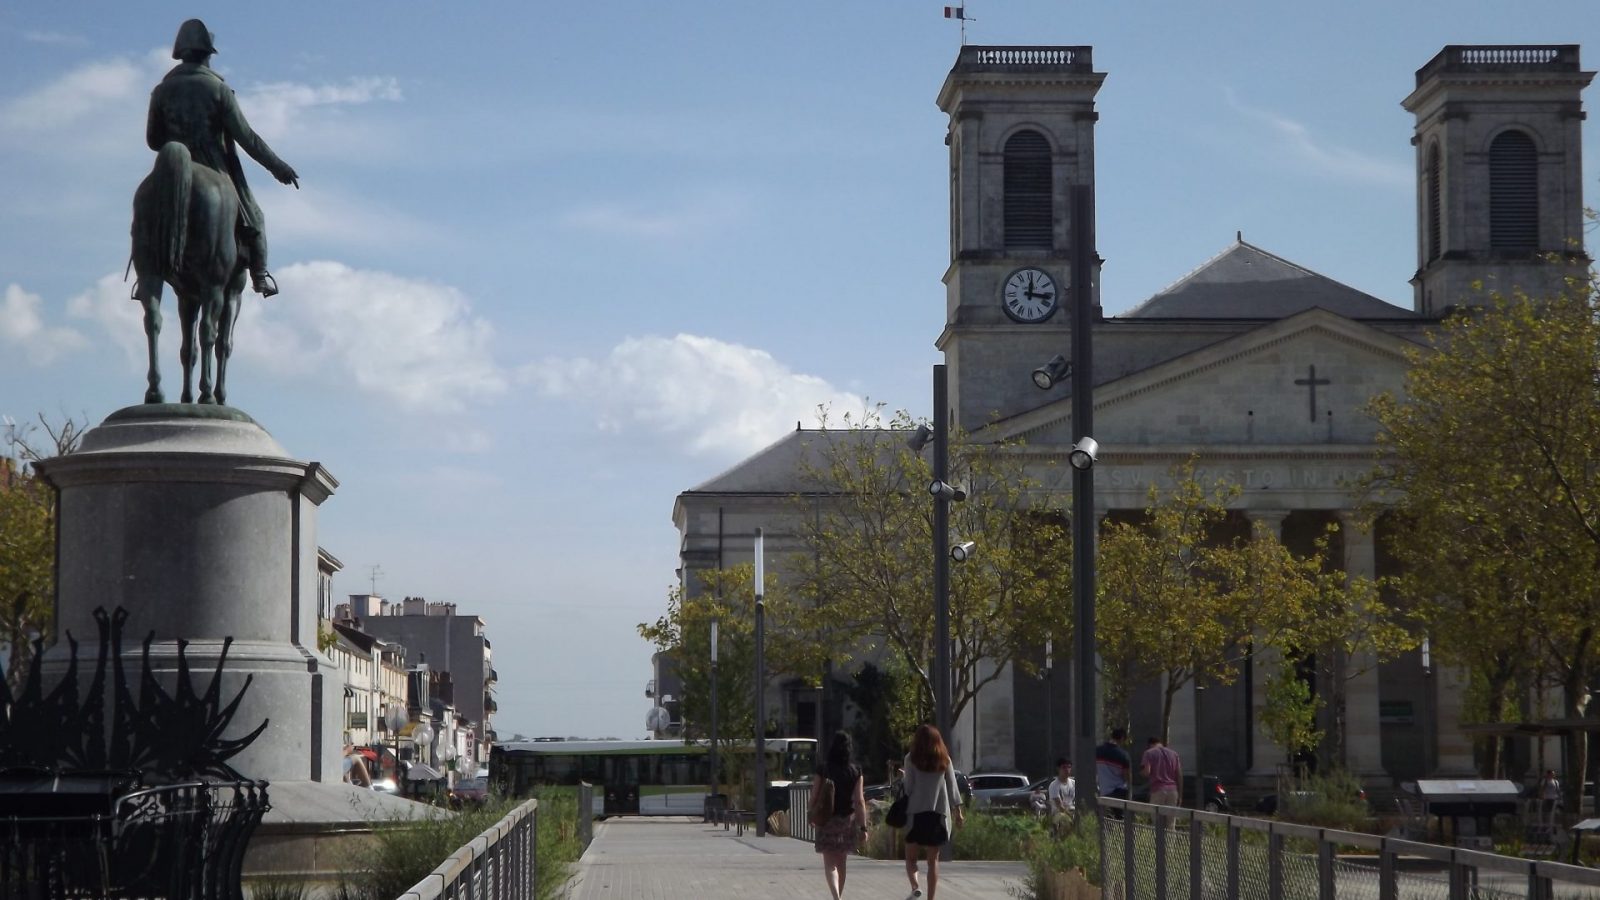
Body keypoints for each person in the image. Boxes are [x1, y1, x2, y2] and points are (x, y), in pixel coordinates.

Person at [144, 19, 299, 298]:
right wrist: (279, 167)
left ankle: (143, 276)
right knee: (256, 217)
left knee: (145, 214)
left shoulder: (161, 91)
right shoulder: (218, 90)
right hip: (214, 164)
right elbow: (246, 137)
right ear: (207, 55)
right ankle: (260, 275)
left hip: (169, 169)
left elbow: (154, 141)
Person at [902, 724, 964, 900]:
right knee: (932, 861)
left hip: (916, 815)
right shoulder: (945, 760)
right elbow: (953, 787)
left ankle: (915, 887)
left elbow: (909, 788)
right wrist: (958, 812)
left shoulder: (910, 759)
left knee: (911, 859)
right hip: (938, 815)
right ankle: (931, 898)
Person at [813, 731, 869, 900]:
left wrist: (811, 815)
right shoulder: (855, 771)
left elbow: (814, 795)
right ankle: (838, 896)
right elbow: (859, 801)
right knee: (841, 862)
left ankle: (836, 897)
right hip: (847, 821)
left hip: (826, 820)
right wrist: (863, 827)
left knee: (830, 864)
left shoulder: (823, 769)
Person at [1141, 736, 1182, 828]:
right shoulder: (1174, 754)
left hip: (1158, 790)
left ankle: (1158, 842)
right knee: (1171, 823)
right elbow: (1179, 775)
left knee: (1157, 822)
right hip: (1173, 791)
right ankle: (1170, 842)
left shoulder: (1148, 753)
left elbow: (1147, 772)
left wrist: (1142, 772)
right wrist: (1180, 795)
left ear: (1150, 745)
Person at [1095, 727, 1132, 817]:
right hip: (1119, 793)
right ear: (1122, 738)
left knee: (1105, 821)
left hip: (1103, 792)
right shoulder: (1123, 755)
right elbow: (1127, 777)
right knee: (1119, 821)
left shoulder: (1097, 751)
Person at [1047, 758, 1076, 835]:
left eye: (1069, 767)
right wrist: (1071, 816)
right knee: (1063, 818)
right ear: (1058, 769)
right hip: (1058, 813)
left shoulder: (1074, 783)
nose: (1067, 769)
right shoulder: (1054, 785)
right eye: (1064, 767)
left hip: (1072, 811)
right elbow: (1059, 806)